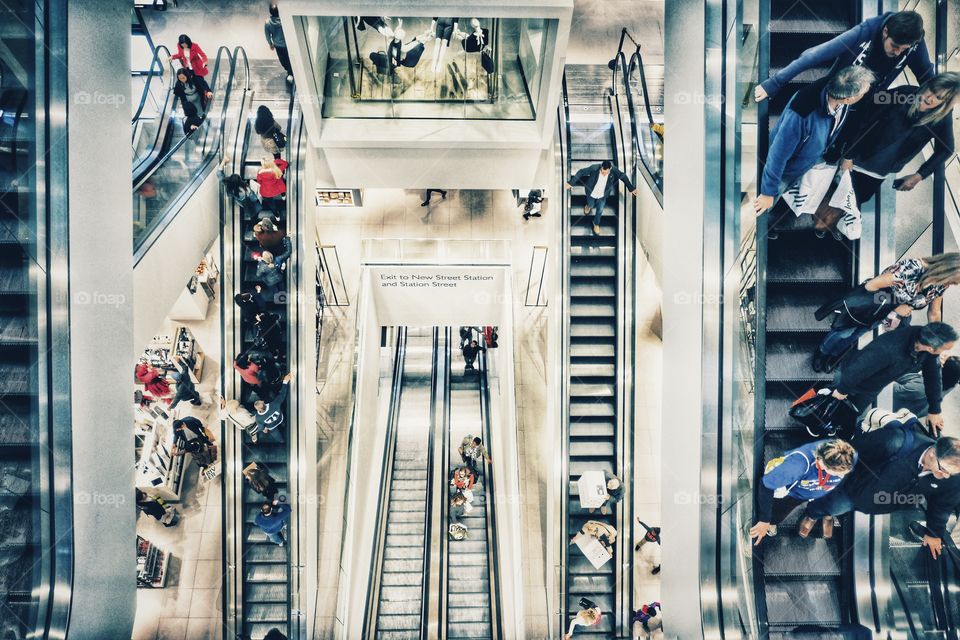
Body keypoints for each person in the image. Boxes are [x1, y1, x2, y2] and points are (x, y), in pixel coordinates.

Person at [802, 413, 960, 558]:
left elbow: (943, 505)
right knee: (832, 505)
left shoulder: (951, 477)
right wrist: (837, 484)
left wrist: (934, 533)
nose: (945, 476)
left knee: (838, 507)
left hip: (880, 503)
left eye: (951, 473)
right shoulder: (894, 441)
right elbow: (852, 455)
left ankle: (827, 513)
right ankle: (813, 514)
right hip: (852, 491)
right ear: (932, 452)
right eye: (943, 469)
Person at [754, 66, 875, 217]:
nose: (867, 91)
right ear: (848, 99)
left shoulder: (838, 97)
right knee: (767, 203)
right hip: (787, 168)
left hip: (809, 156)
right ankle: (767, 218)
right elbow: (777, 155)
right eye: (863, 92)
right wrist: (767, 192)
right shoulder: (800, 114)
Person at [812, 253, 960, 371]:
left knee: (857, 334)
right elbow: (872, 285)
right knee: (843, 331)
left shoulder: (941, 285)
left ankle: (834, 353)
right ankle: (823, 351)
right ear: (946, 270)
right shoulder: (913, 268)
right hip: (873, 304)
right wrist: (896, 307)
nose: (954, 284)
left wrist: (938, 338)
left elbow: (934, 312)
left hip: (886, 314)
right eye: (954, 281)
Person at [755, 11, 932, 104]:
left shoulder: (915, 42)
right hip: (838, 89)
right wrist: (774, 83)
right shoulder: (866, 31)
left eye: (904, 49)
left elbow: (928, 77)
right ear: (885, 32)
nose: (898, 53)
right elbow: (814, 55)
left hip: (868, 97)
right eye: (895, 46)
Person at [837, 72, 960, 205]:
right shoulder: (903, 93)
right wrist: (848, 155)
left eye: (938, 97)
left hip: (878, 173)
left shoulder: (942, 118)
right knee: (831, 196)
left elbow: (946, 149)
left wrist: (919, 175)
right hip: (855, 159)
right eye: (932, 90)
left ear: (945, 102)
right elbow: (864, 120)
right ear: (928, 84)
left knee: (851, 204)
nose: (930, 98)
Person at [831, 322, 957, 435]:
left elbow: (933, 376)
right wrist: (842, 390)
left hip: (871, 389)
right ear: (931, 348)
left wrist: (935, 410)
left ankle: (833, 427)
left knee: (847, 415)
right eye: (945, 349)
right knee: (828, 405)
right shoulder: (889, 348)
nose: (944, 353)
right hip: (848, 380)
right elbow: (856, 369)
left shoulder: (928, 348)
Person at [749, 439, 857, 543]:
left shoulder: (849, 456)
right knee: (777, 515)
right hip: (793, 494)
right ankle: (772, 522)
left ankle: (819, 515)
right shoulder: (797, 466)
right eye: (837, 474)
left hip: (815, 491)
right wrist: (764, 520)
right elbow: (766, 485)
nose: (841, 476)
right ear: (822, 464)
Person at [565, 160, 638, 236]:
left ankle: (596, 223)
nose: (603, 174)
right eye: (602, 172)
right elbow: (581, 172)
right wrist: (571, 183)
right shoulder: (594, 168)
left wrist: (631, 188)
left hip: (603, 195)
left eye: (605, 172)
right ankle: (588, 206)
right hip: (591, 192)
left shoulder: (614, 170)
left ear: (610, 169)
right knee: (591, 205)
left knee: (600, 210)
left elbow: (623, 176)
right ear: (601, 167)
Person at [894, 355, 960, 420]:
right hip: (918, 409)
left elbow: (890, 388)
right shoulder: (951, 383)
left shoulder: (920, 386)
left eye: (943, 360)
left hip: (895, 411)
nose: (942, 356)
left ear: (941, 368)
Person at [265, 4, 293, 82]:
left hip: (277, 45)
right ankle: (291, 72)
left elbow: (267, 35)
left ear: (270, 12)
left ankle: (288, 70)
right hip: (287, 44)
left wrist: (270, 44)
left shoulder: (267, 23)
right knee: (289, 58)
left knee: (282, 59)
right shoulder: (284, 20)